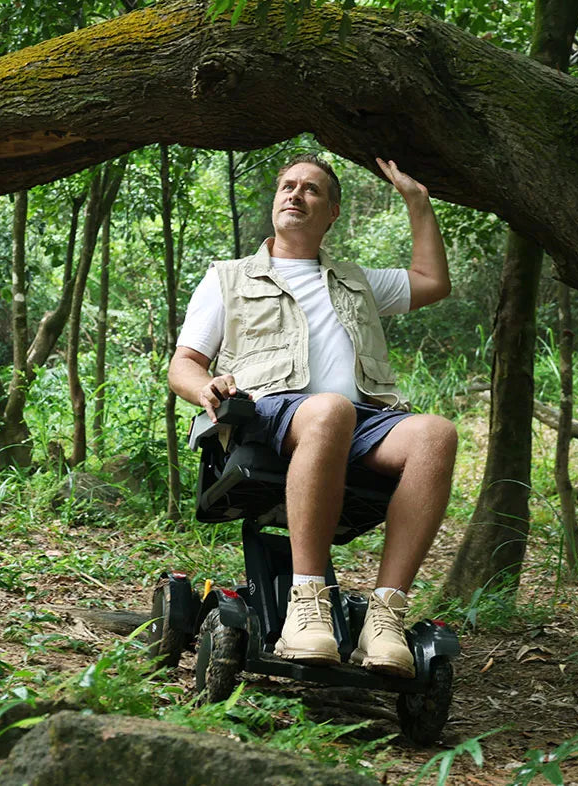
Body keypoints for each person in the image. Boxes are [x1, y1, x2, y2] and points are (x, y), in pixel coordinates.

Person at [169, 154, 457, 679]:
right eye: (288, 186)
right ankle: (307, 603)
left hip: (361, 422)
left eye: (311, 189)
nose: (295, 194)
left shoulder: (357, 281)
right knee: (329, 408)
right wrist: (204, 387)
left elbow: (433, 282)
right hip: (266, 413)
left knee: (436, 434)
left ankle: (386, 615)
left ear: (332, 213)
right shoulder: (228, 278)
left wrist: (417, 201)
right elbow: (183, 364)